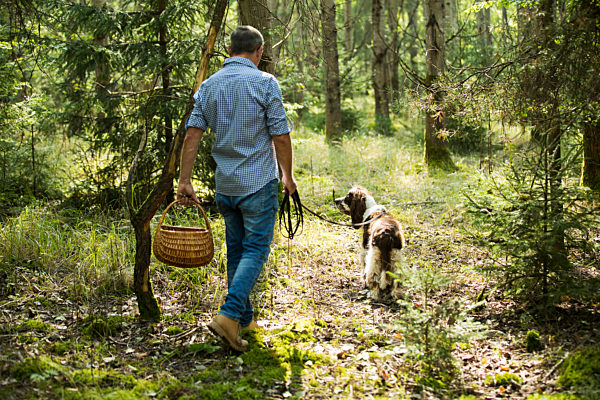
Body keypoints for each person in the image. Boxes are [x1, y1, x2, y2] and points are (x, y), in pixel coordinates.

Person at [176, 25, 297, 352]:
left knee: (237, 249)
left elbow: (192, 135)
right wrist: (288, 176)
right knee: (256, 248)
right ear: (258, 52)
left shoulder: (209, 86)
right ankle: (228, 316)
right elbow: (281, 136)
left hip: (226, 186)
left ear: (230, 50)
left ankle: (243, 321)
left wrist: (184, 181)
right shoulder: (265, 82)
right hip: (258, 183)